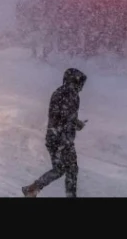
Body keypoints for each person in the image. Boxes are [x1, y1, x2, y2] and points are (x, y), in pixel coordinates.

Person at [22, 68, 87, 197]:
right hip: (62, 139)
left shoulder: (60, 92)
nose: (81, 87)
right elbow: (65, 118)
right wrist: (75, 124)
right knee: (71, 170)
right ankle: (69, 196)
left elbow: (61, 116)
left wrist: (75, 123)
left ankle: (32, 189)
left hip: (54, 137)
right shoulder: (71, 94)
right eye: (80, 83)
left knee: (61, 169)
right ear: (74, 80)